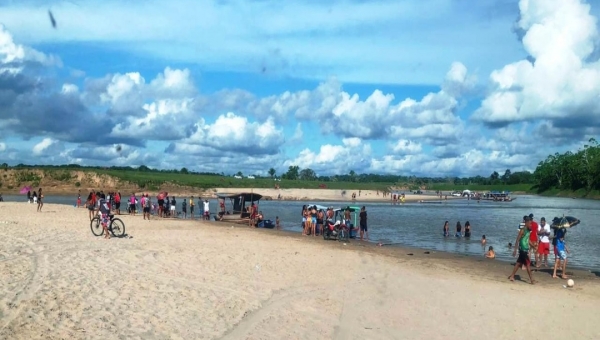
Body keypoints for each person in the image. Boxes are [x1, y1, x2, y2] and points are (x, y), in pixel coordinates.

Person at [508, 216, 535, 284]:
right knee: (528, 264)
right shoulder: (523, 230)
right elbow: (517, 240)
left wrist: (533, 246)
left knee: (518, 263)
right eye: (529, 223)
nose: (530, 225)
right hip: (522, 250)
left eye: (531, 224)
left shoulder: (528, 230)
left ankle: (512, 276)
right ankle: (531, 280)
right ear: (526, 223)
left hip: (526, 249)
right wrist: (515, 250)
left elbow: (528, 240)